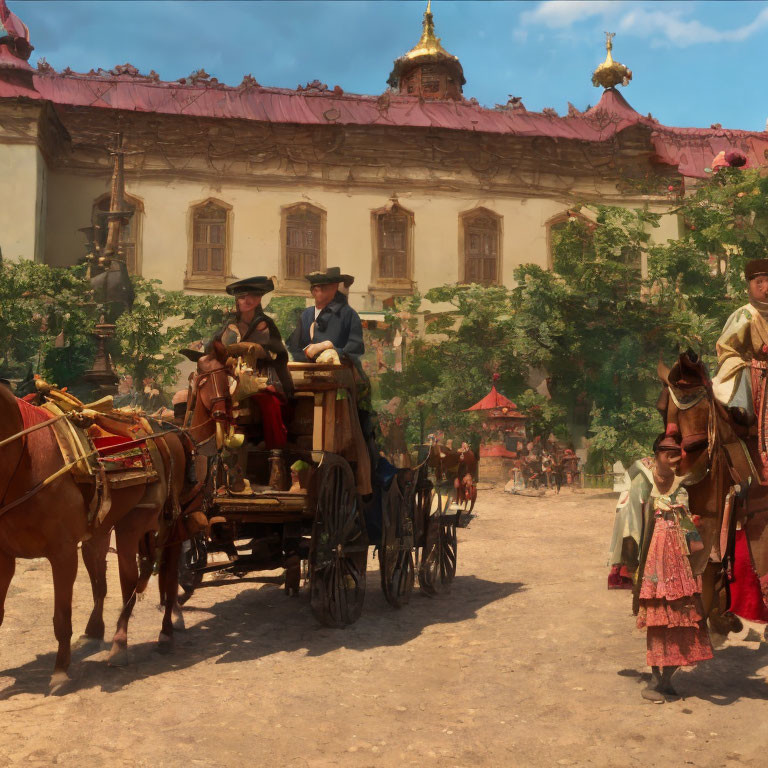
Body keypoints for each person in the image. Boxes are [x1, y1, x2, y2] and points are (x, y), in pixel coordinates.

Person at [633, 428, 713, 702]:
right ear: (657, 455)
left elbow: (690, 527)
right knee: (658, 618)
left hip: (678, 562)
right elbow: (631, 519)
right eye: (669, 455)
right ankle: (656, 678)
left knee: (682, 617)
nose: (675, 461)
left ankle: (666, 679)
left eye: (677, 456)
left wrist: (692, 526)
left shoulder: (681, 487)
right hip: (654, 560)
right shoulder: (642, 479)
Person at [210, 276, 294, 492]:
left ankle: (277, 463)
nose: (247, 300)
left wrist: (261, 352)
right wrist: (225, 357)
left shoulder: (267, 324)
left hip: (262, 378)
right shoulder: (227, 325)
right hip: (230, 380)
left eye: (253, 296)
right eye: (243, 296)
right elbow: (213, 350)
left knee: (269, 404)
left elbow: (279, 354)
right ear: (237, 300)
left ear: (259, 299)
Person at [712, 258, 768, 482]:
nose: (766, 288)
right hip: (754, 373)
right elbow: (726, 350)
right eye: (760, 282)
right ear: (750, 286)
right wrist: (752, 360)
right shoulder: (744, 315)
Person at [287, 266, 363, 364]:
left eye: (324, 287)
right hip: (307, 373)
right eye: (314, 288)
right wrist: (307, 352)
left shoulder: (348, 315)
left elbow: (356, 349)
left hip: (339, 374)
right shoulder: (306, 315)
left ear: (334, 288)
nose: (317, 291)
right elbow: (293, 347)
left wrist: (329, 347)